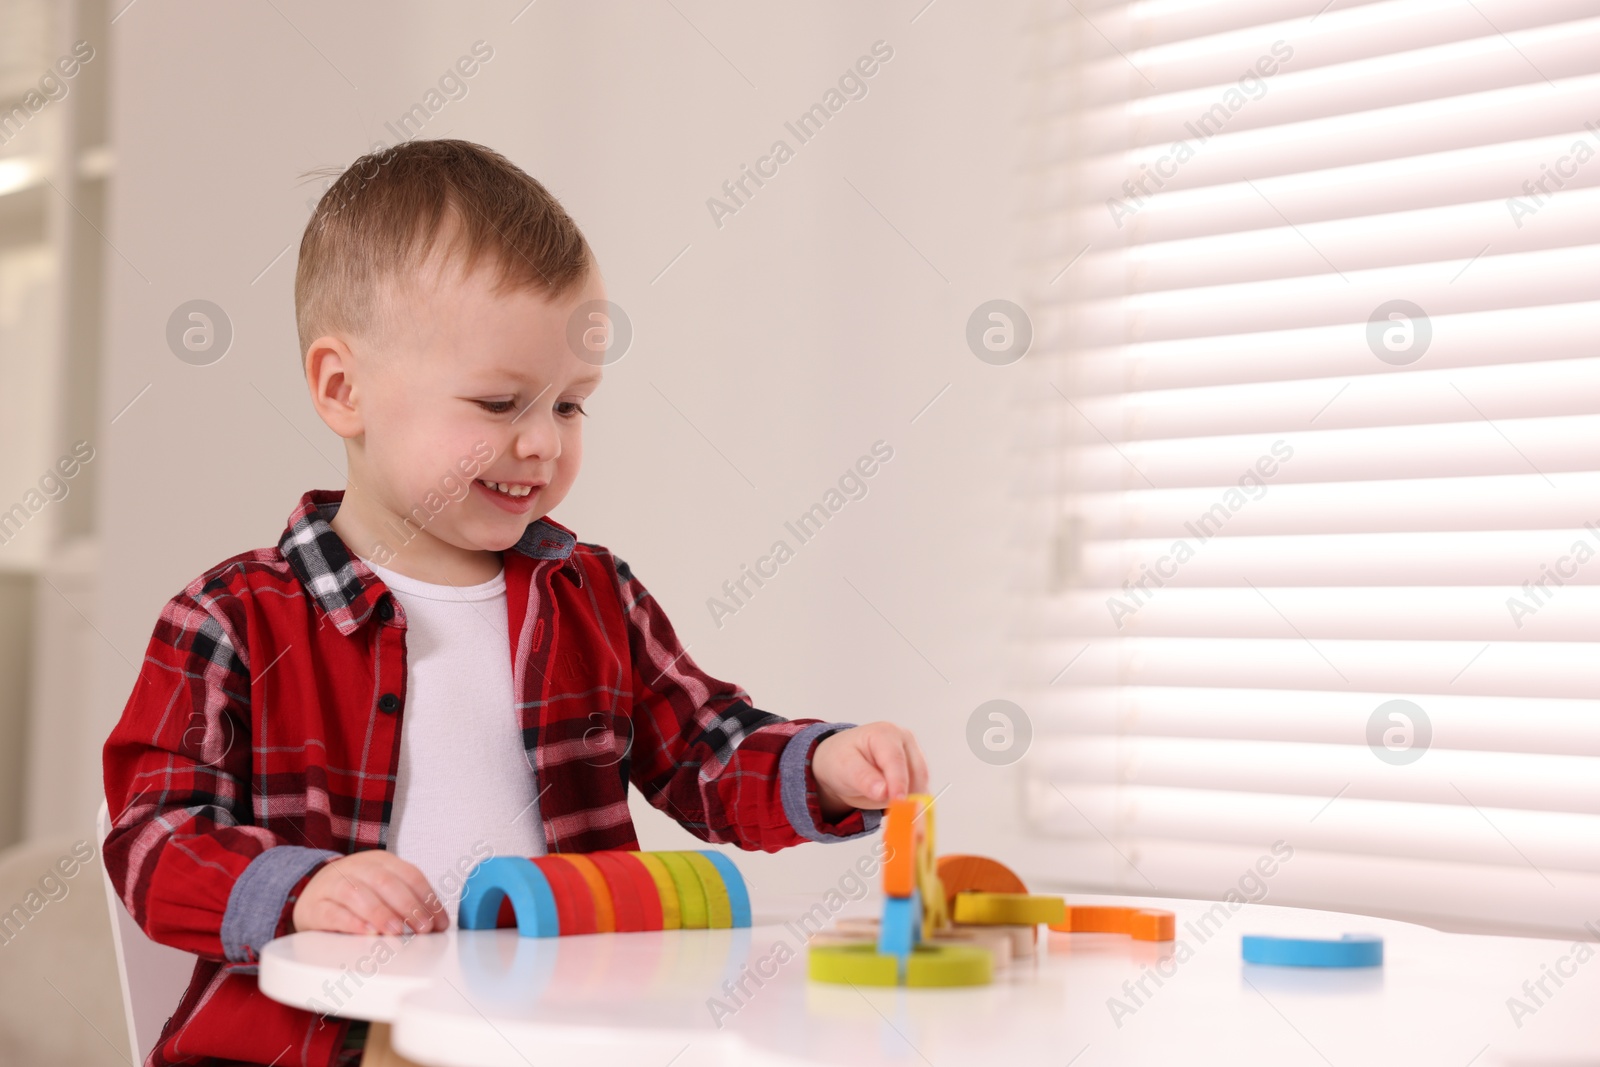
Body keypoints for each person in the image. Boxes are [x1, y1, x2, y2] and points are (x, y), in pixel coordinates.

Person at [102, 138, 928, 1067]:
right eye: (499, 404)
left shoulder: (593, 599)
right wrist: (299, 889)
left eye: (571, 406)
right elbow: (155, 835)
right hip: (332, 1040)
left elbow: (707, 751)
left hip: (558, 1031)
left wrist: (820, 767)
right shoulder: (232, 618)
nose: (541, 444)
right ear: (344, 390)